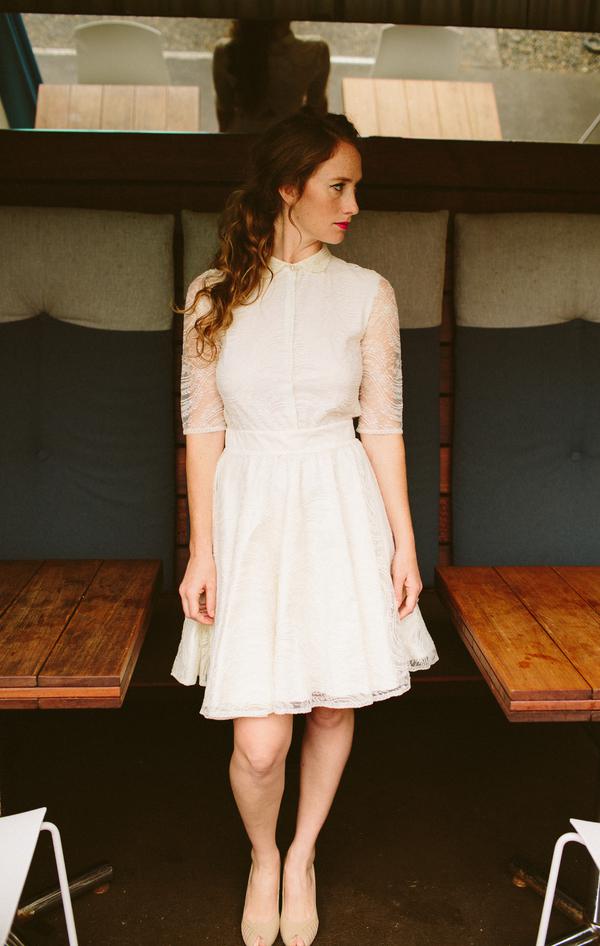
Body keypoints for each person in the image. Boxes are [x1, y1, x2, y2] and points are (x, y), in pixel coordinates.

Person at [171, 107, 439, 946]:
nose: (353, 204)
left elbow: (382, 425)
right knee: (259, 744)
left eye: (355, 187)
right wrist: (202, 551)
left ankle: (302, 855)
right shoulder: (212, 295)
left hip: (337, 506)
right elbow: (203, 429)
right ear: (289, 187)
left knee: (329, 706)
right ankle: (262, 854)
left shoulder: (367, 293)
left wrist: (403, 543)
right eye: (338, 186)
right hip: (249, 513)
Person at [213, 19, 329, 133]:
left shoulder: (225, 51)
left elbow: (225, 113)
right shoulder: (315, 51)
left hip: (241, 138)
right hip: (288, 138)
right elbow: (316, 110)